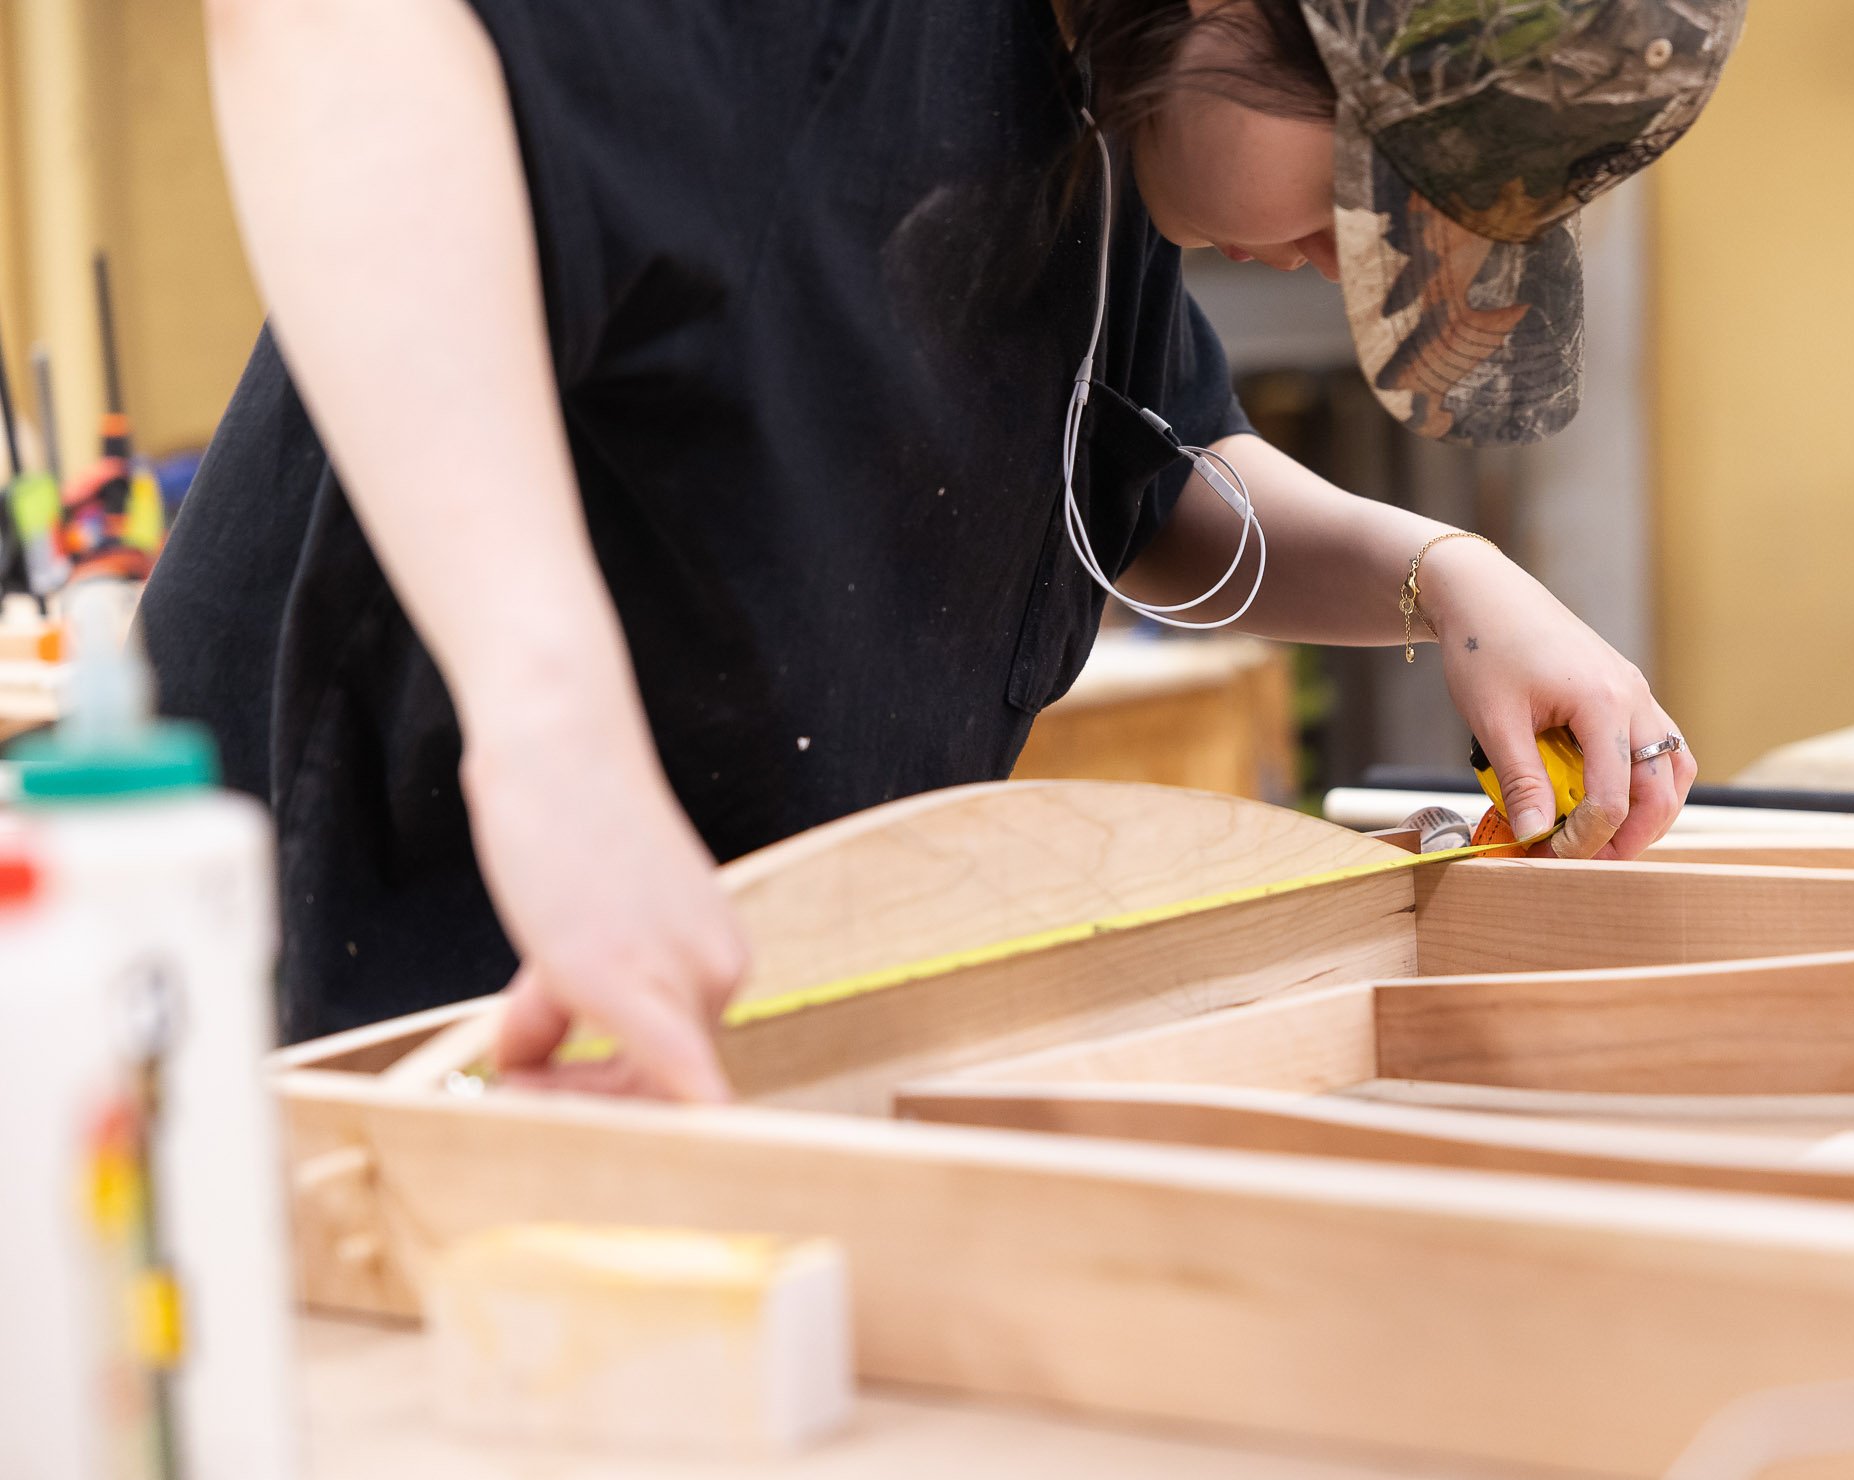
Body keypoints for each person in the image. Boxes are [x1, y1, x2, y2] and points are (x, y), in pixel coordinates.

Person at [148, 0, 1743, 1098]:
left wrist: (1438, 578)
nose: (1350, 262)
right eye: (1368, 190)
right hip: (356, 969)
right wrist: (548, 728)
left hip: (726, 1004)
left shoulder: (1099, 102)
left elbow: (1134, 480)